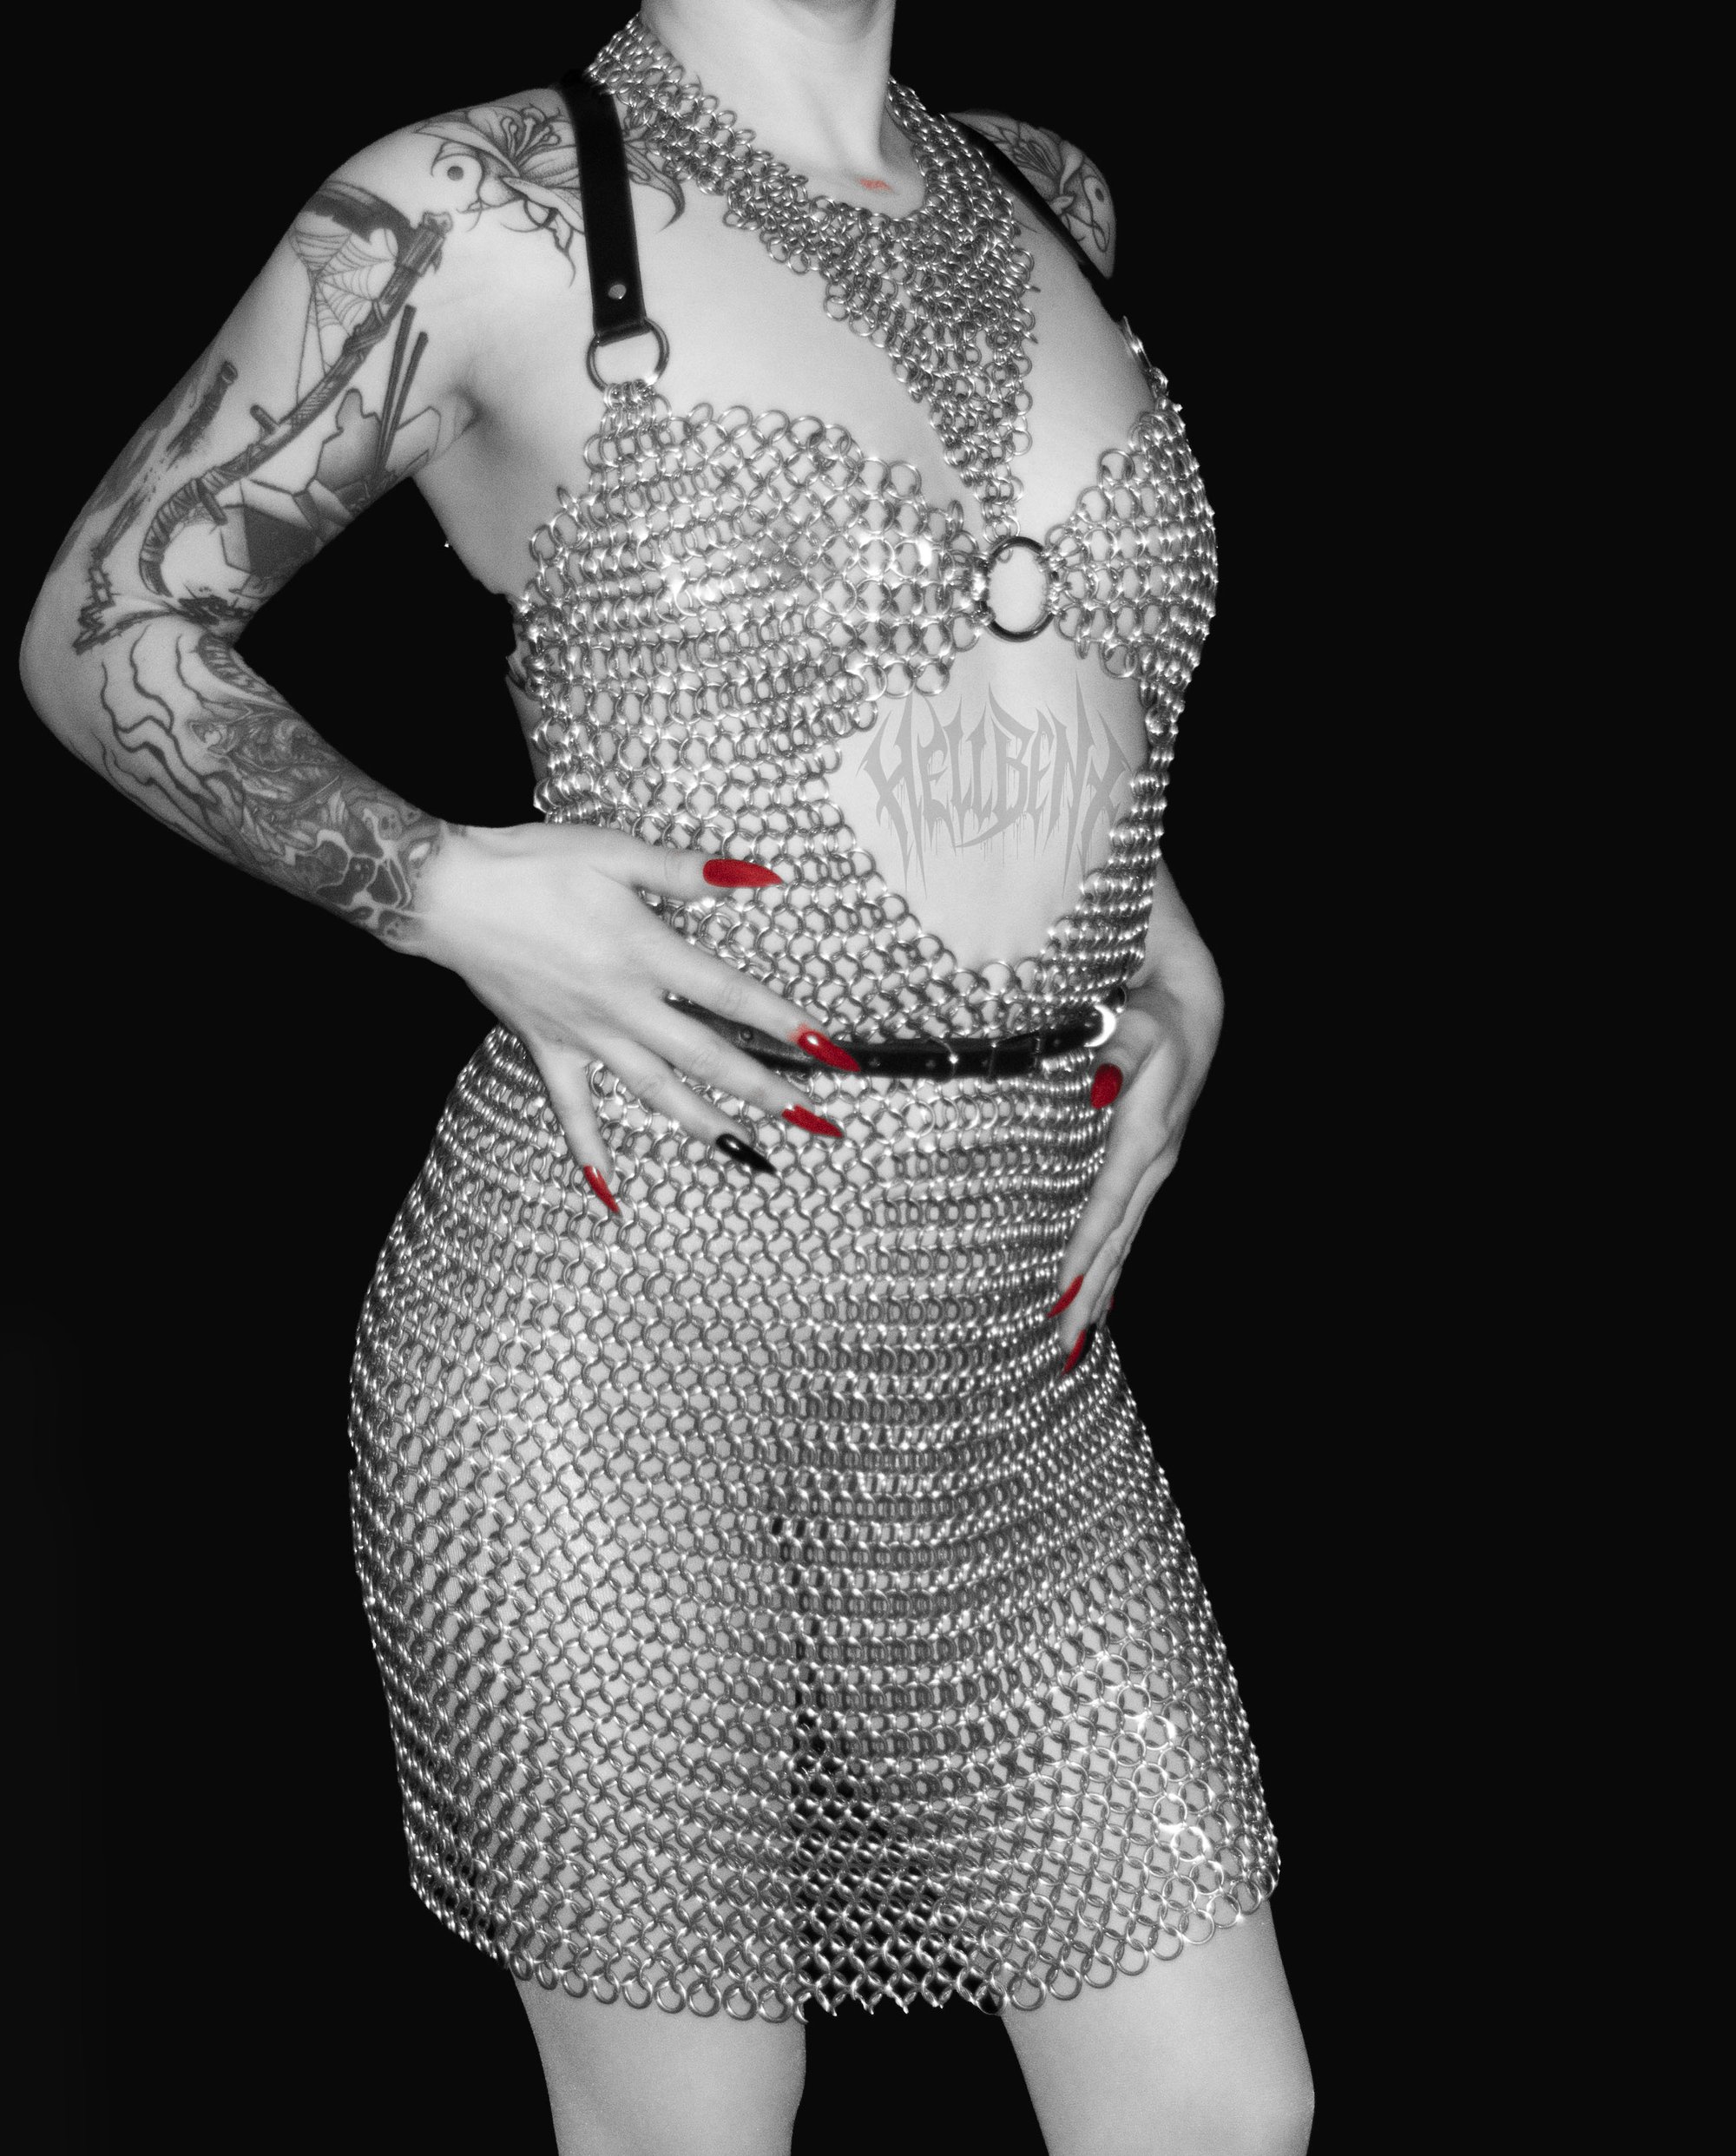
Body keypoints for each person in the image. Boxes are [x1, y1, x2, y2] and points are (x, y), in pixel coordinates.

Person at [22, 3, 1314, 2149]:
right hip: (611, 1324)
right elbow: (104, 623)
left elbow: (1017, 655)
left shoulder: (1038, 192)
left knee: (1212, 2112)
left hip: (995, 1349)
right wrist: (434, 883)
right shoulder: (478, 210)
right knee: (689, 2130)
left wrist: (1161, 956)